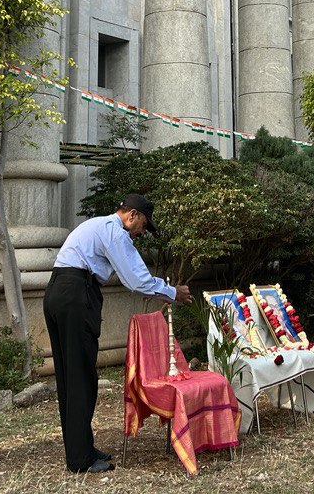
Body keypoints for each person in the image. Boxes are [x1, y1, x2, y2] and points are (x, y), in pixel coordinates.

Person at [43, 193, 192, 474]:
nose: (142, 233)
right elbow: (135, 279)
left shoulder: (97, 225)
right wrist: (172, 293)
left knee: (70, 375)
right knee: (81, 376)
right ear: (132, 215)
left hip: (57, 291)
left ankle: (82, 447)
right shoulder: (115, 231)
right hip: (76, 294)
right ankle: (80, 459)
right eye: (143, 226)